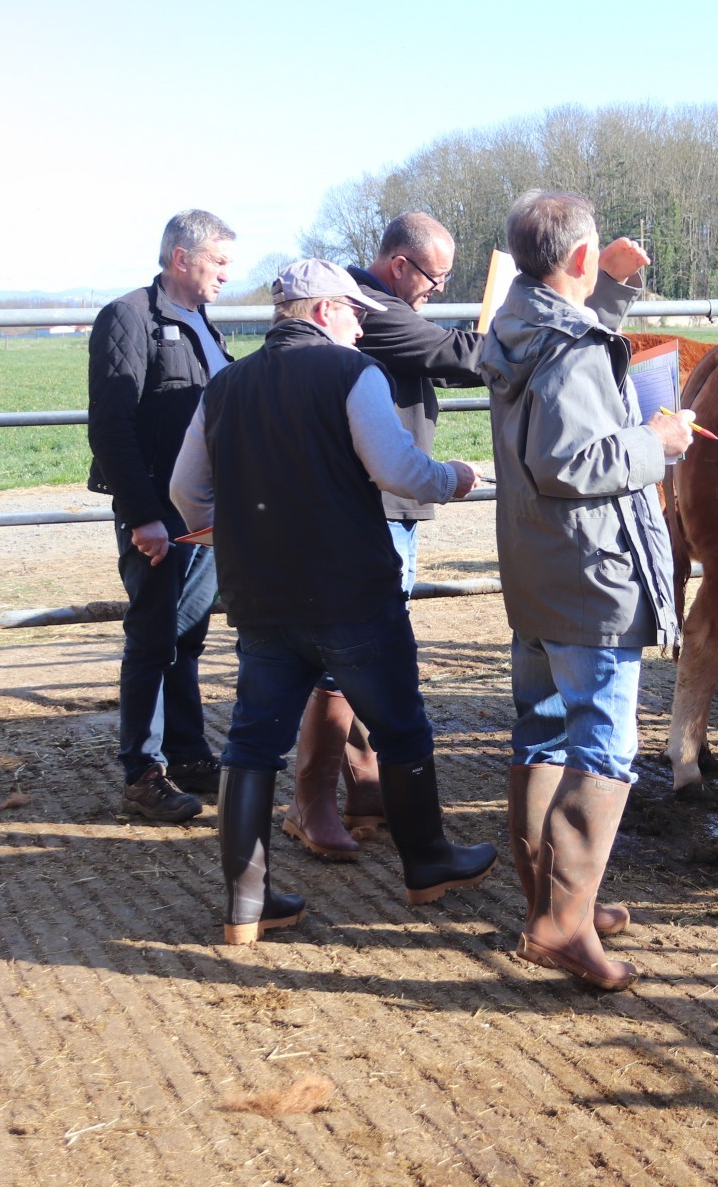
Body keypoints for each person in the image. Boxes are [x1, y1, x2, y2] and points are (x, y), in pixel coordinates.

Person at [169, 258, 496, 946]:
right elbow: (400, 471)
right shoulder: (353, 374)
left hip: (260, 597)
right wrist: (458, 476)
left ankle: (246, 900)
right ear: (323, 312)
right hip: (351, 594)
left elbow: (185, 490)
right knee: (402, 728)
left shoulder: (225, 386)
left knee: (253, 744)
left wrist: (227, 524)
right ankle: (427, 863)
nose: (361, 330)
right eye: (354, 316)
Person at [478, 190, 692, 992]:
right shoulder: (566, 350)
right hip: (589, 574)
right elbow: (568, 462)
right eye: (592, 254)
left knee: (541, 728)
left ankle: (556, 896)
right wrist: (656, 441)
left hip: (538, 568)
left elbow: (563, 334)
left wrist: (611, 290)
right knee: (604, 741)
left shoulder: (516, 320)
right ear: (574, 258)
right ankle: (562, 926)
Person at [282, 214, 482, 860]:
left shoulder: (378, 308)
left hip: (387, 507)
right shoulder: (380, 311)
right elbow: (457, 356)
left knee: (356, 657)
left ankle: (363, 788)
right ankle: (309, 801)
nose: (438, 288)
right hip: (375, 507)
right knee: (348, 661)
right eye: (435, 276)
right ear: (399, 264)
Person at [86, 209, 233, 823]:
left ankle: (189, 752)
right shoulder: (129, 318)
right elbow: (112, 425)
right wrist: (142, 513)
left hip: (204, 510)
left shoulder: (200, 321)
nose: (228, 273)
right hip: (160, 513)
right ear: (181, 257)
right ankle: (141, 771)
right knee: (153, 633)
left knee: (188, 633)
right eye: (219, 261)